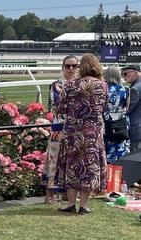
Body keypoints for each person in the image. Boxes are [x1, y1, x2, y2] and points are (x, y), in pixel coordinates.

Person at [55, 53, 107, 214]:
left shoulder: (70, 85)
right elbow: (105, 107)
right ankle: (83, 205)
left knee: (72, 166)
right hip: (92, 133)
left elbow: (61, 108)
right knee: (89, 167)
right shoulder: (102, 86)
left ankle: (71, 203)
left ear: (80, 67)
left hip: (73, 132)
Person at [42, 55, 78, 202]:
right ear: (62, 67)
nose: (71, 69)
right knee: (53, 160)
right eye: (68, 66)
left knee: (72, 160)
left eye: (74, 66)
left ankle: (67, 192)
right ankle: (50, 193)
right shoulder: (56, 85)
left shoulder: (80, 84)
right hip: (59, 127)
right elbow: (60, 103)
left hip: (75, 128)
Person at [103, 65, 130, 164]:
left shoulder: (103, 89)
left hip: (106, 124)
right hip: (121, 126)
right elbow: (127, 107)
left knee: (106, 152)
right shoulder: (126, 89)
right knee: (121, 153)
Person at [121, 64, 141, 153]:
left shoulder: (135, 89)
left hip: (136, 129)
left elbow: (128, 110)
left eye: (125, 74)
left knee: (134, 158)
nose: (124, 77)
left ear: (136, 73)